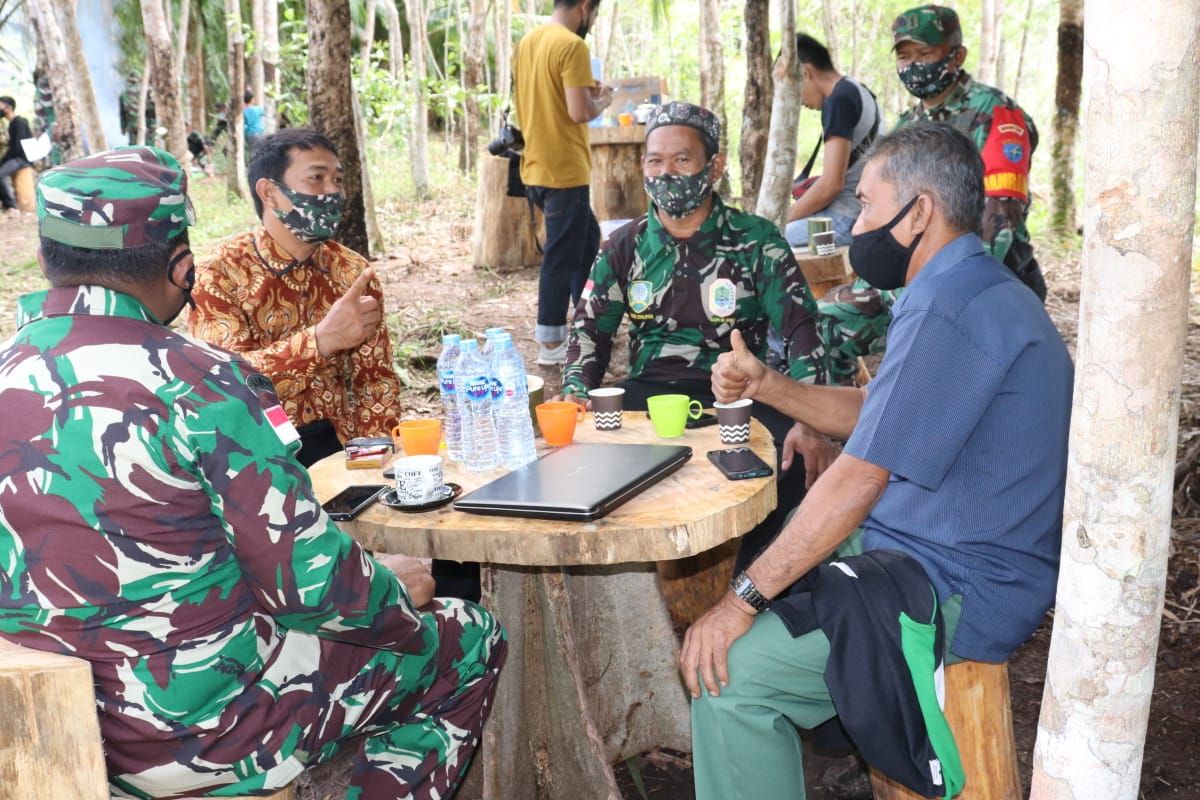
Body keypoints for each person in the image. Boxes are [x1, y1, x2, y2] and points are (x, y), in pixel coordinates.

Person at [0, 145, 506, 799]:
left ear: (46, 258)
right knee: (468, 640)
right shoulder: (201, 379)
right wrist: (391, 595)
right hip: (206, 728)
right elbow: (310, 586)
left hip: (48, 721)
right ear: (182, 264)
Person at [680, 123, 1073, 799]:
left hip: (957, 585)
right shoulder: (972, 288)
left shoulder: (952, 306)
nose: (856, 223)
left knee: (730, 675)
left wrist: (740, 605)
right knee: (777, 543)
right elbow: (878, 414)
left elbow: (862, 476)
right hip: (936, 544)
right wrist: (769, 386)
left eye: (865, 204)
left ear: (919, 211)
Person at [559, 101, 836, 570]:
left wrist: (813, 419)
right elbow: (589, 330)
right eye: (655, 161)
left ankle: (758, 584)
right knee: (575, 462)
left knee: (791, 458)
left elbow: (801, 331)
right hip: (651, 394)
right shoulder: (624, 245)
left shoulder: (756, 241)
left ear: (714, 167)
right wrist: (574, 396)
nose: (666, 173)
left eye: (682, 160)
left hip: (742, 393)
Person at [817, 3, 1045, 386]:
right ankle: (833, 431)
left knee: (934, 377)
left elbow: (999, 227)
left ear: (957, 55)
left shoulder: (995, 114)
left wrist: (923, 295)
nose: (913, 66)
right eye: (905, 56)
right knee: (826, 321)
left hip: (984, 283)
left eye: (925, 53)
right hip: (911, 275)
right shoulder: (910, 126)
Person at [189, 127, 402, 469]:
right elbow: (227, 386)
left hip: (342, 450)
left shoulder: (351, 272)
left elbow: (376, 382)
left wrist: (375, 465)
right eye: (317, 178)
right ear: (270, 193)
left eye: (337, 180)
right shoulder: (219, 273)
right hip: (257, 456)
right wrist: (319, 342)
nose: (332, 191)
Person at [513, 0, 613, 366]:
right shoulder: (573, 45)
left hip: (535, 165)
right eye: (595, 14)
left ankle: (588, 323)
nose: (592, 22)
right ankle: (550, 340)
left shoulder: (528, 42)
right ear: (586, 7)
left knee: (586, 241)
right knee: (562, 253)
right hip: (564, 169)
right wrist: (603, 101)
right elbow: (578, 111)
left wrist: (586, 90)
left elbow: (539, 98)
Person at [783, 34, 882, 249]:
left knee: (760, 242)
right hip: (860, 211)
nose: (797, 100)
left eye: (791, 88)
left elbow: (831, 185)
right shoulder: (856, 89)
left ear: (805, 73)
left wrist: (781, 220)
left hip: (846, 218)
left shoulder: (839, 101)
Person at [0, 96, 33, 212]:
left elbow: (18, 147)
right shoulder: (12, 124)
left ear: (8, 107)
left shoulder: (19, 122)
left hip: (21, 159)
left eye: (0, 105)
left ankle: (11, 206)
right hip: (15, 158)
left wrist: (4, 160)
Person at [243, 89, 266, 156]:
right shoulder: (258, 109)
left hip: (249, 134)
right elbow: (263, 113)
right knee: (256, 153)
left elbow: (244, 122)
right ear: (252, 100)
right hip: (258, 133)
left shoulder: (243, 111)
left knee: (252, 151)